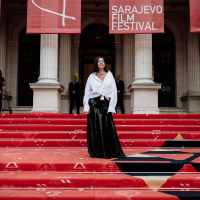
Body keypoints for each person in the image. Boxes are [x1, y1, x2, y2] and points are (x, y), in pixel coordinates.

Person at [83, 56, 126, 159]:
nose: (101, 63)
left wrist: (112, 107)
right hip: (93, 103)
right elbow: (87, 92)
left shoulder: (110, 76)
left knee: (106, 126)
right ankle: (97, 150)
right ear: (96, 64)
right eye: (99, 61)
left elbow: (114, 92)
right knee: (96, 127)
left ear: (104, 64)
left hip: (105, 104)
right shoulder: (91, 76)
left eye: (102, 61)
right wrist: (86, 106)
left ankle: (108, 150)